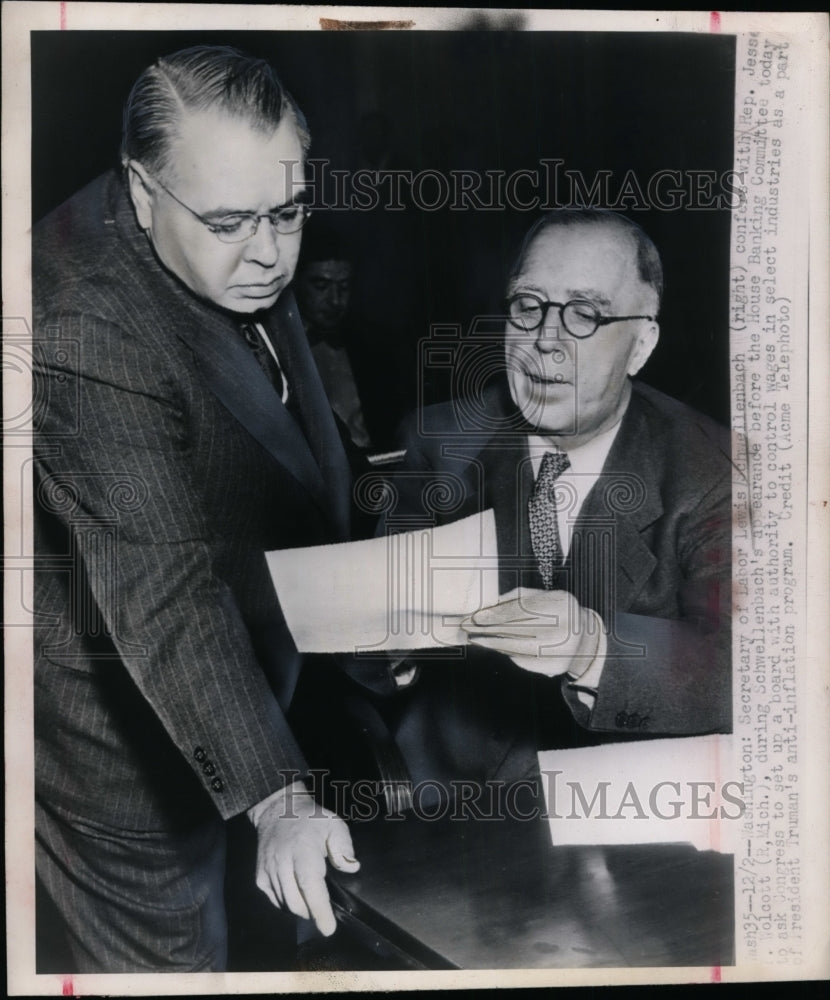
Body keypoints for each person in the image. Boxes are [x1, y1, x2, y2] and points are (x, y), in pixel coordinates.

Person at [32, 45, 370, 973]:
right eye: (232, 221)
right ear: (142, 191)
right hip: (110, 740)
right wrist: (278, 798)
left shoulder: (236, 225)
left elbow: (290, 449)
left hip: (244, 682)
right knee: (177, 971)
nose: (270, 251)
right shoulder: (83, 331)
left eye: (290, 211)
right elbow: (164, 589)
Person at [383, 209, 734, 796]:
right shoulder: (436, 441)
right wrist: (389, 649)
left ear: (641, 344)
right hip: (446, 805)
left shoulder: (714, 473)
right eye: (529, 305)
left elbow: (750, 670)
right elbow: (364, 657)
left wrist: (591, 646)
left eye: (586, 314)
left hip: (626, 804)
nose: (546, 341)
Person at [292, 225, 373, 449]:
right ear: (295, 282)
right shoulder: (277, 348)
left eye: (344, 287)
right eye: (321, 286)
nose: (335, 300)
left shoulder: (371, 346)